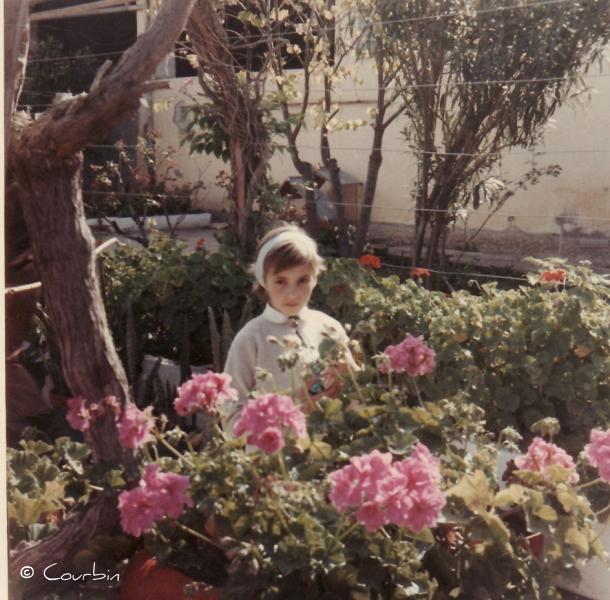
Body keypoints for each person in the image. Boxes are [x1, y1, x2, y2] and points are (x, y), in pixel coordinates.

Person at [222, 224, 356, 435]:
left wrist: (352, 378)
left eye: (302, 280)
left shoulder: (330, 328)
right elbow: (230, 418)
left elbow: (353, 398)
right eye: (280, 281)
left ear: (315, 278)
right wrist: (296, 407)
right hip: (278, 452)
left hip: (329, 447)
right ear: (264, 281)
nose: (292, 294)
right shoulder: (251, 338)